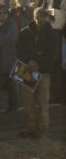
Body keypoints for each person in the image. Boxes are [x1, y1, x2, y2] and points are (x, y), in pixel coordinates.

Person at [16, 7, 58, 138]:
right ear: (34, 17)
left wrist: (38, 64)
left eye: (43, 16)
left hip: (43, 71)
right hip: (26, 69)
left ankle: (42, 129)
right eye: (38, 16)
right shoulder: (25, 32)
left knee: (42, 102)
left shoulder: (52, 34)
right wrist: (29, 61)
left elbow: (52, 55)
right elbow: (19, 50)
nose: (40, 18)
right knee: (28, 102)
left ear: (47, 17)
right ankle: (31, 128)